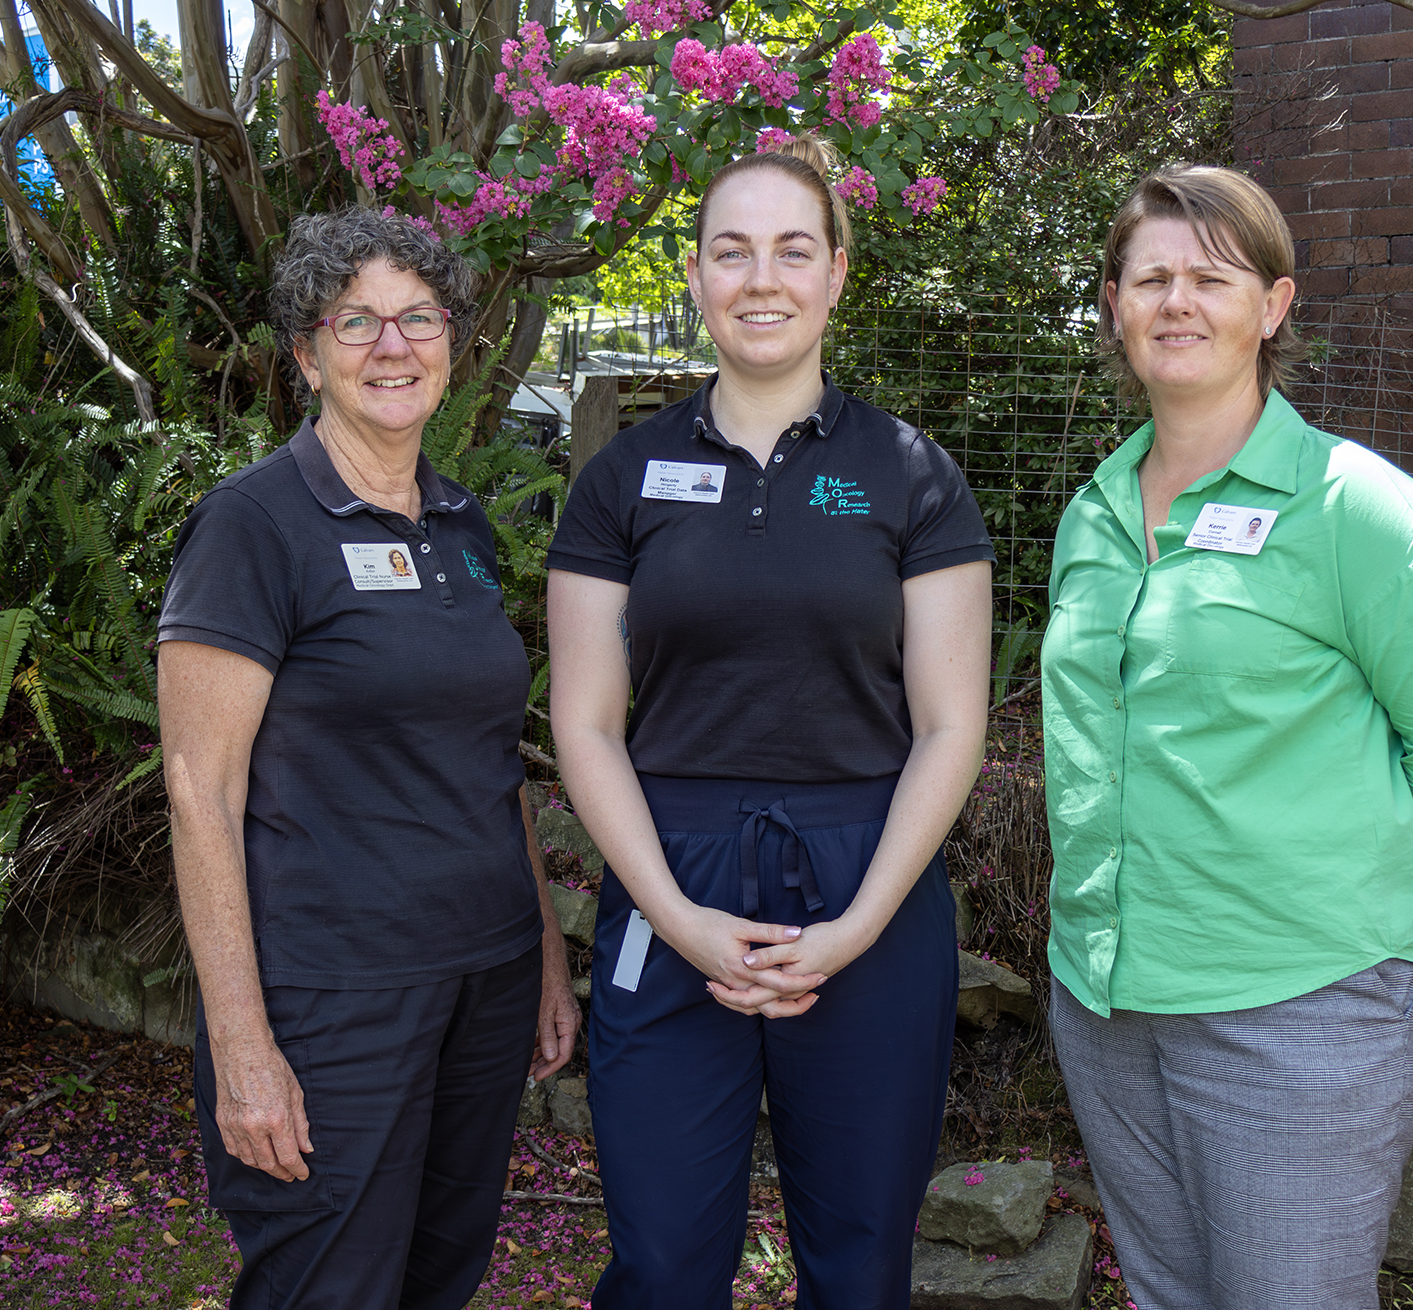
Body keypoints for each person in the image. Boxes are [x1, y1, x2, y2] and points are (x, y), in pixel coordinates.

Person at [1040, 165, 1413, 1310]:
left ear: (1273, 304)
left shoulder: (1354, 509)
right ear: (1112, 304)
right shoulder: (1093, 514)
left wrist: (1364, 876)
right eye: (1150, 278)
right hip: (1105, 1001)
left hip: (1297, 1004)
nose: (1177, 300)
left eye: (1211, 277)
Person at [546, 135, 994, 1310]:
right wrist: (676, 915)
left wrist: (854, 927)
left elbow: (950, 727)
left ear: (835, 273)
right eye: (731, 250)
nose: (761, 278)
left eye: (793, 250)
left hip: (869, 876)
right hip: (668, 871)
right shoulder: (621, 477)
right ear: (695, 274)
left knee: (858, 1265)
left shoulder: (911, 473)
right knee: (659, 1264)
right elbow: (585, 725)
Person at [158, 206, 581, 1310]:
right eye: (356, 321)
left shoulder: (462, 525)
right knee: (328, 1285)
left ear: (451, 344)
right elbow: (201, 792)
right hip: (333, 1000)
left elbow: (491, 760)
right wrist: (242, 1044)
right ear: (307, 355)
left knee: (441, 1275)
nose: (393, 346)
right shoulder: (252, 527)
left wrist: (542, 954)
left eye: (418, 318)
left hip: (484, 980)